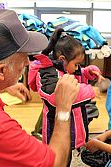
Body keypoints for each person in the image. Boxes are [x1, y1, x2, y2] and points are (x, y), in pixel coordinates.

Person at [0, 9, 80, 167]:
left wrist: (3, 86)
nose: (28, 63)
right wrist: (63, 109)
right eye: (24, 57)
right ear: (2, 71)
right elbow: (56, 163)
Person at [28, 28, 104, 166]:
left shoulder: (63, 67)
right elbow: (58, 96)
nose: (77, 68)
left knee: (66, 154)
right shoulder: (47, 72)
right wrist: (90, 91)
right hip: (55, 127)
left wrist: (90, 72)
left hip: (72, 122)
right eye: (76, 64)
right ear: (62, 59)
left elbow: (77, 75)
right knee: (58, 157)